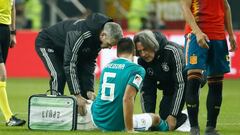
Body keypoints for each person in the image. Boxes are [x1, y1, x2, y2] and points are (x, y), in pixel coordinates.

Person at [35, 13, 123, 114]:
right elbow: (70, 64)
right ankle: (54, 110)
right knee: (59, 74)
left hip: (64, 47)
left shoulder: (98, 38)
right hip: (48, 43)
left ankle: (79, 117)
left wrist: (89, 90)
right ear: (103, 35)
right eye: (109, 44)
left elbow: (89, 63)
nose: (109, 48)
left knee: (85, 94)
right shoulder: (80, 34)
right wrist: (76, 95)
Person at [78, 37, 171, 132]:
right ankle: (169, 128)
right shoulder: (137, 69)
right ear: (134, 52)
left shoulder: (107, 66)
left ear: (117, 53)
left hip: (96, 117)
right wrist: (129, 129)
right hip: (115, 124)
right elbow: (127, 98)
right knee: (156, 118)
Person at [180, 0, 238, 135]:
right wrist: (198, 32)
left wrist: (230, 34)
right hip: (195, 35)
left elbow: (226, 7)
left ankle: (210, 128)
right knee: (194, 79)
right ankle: (194, 127)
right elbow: (185, 7)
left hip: (218, 36)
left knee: (216, 83)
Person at [133, 30, 187, 130]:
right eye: (140, 51)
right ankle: (184, 117)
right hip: (169, 87)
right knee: (163, 117)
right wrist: (149, 117)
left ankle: (192, 115)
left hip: (189, 79)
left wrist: (173, 115)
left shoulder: (172, 51)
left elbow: (181, 84)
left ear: (152, 45)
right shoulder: (142, 61)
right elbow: (146, 90)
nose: (143, 54)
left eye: (145, 49)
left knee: (190, 81)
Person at [0, 0, 26, 126]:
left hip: (4, 29)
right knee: (2, 74)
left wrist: (12, 32)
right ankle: (9, 118)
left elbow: (12, 7)